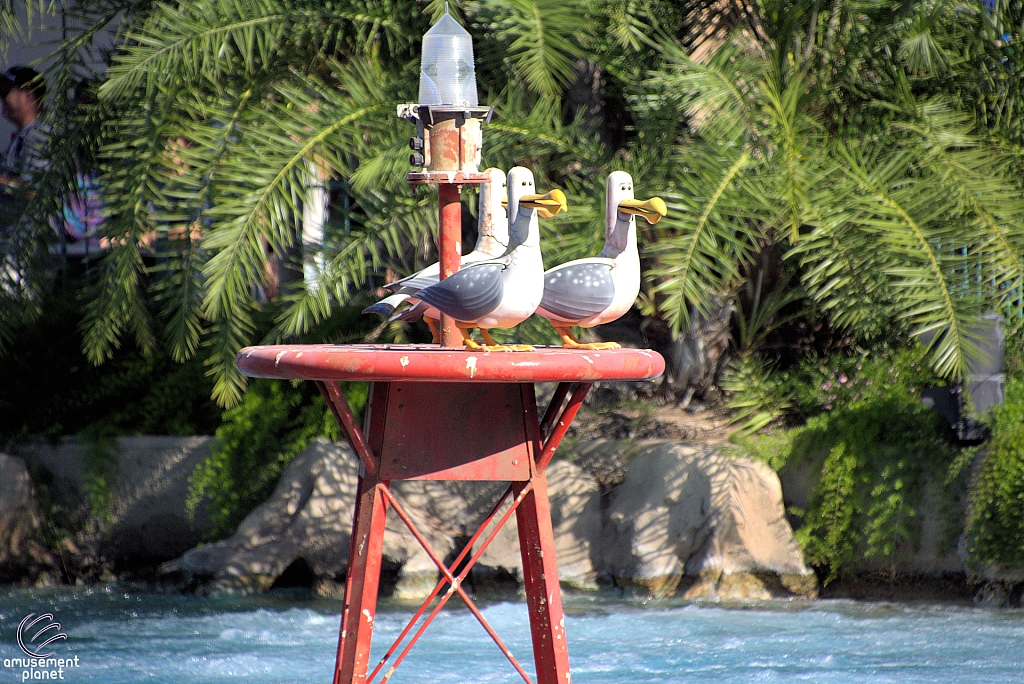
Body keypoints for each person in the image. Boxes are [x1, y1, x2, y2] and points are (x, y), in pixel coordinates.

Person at [0, 65, 47, 184]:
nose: (1, 98)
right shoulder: (25, 134)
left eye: (6, 91)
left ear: (28, 96)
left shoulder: (39, 136)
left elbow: (34, 191)